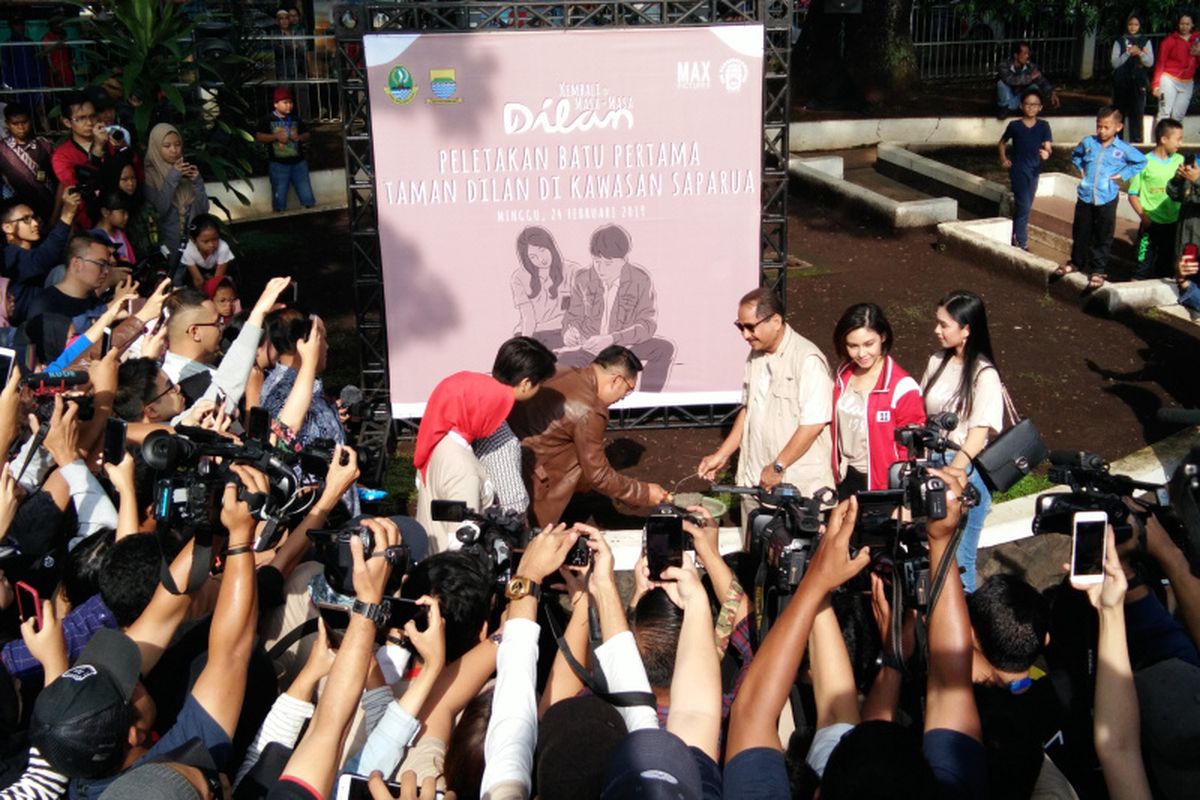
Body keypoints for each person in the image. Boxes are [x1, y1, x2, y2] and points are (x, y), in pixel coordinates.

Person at [697, 287, 835, 520]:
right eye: (740, 326)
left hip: (795, 489)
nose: (745, 335)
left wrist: (778, 466)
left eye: (751, 327)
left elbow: (813, 425)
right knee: (754, 549)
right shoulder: (756, 354)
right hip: (755, 481)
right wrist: (723, 454)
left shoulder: (808, 360)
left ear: (776, 321)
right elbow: (749, 409)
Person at [414, 336, 557, 550]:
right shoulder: (488, 445)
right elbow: (511, 503)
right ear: (526, 383)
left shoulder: (437, 440)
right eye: (541, 384)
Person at [509, 344, 670, 527]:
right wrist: (643, 493)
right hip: (533, 486)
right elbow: (598, 475)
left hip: (511, 457)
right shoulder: (590, 410)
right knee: (526, 545)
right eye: (628, 388)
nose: (625, 396)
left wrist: (622, 493)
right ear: (616, 380)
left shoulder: (561, 371)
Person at [920, 290, 1004, 593]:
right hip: (933, 464)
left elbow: (977, 437)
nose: (937, 330)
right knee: (933, 557)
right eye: (937, 323)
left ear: (966, 329)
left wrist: (951, 474)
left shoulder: (985, 375)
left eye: (945, 325)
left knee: (960, 560)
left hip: (963, 473)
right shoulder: (937, 361)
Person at [555, 224, 675, 392]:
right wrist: (569, 331)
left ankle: (647, 401)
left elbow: (647, 324)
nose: (601, 269)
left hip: (625, 345)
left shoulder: (640, 279)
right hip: (590, 347)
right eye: (597, 262)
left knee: (664, 348)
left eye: (608, 264)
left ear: (624, 260)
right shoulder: (582, 278)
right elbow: (572, 316)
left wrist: (613, 338)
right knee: (561, 362)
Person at [829, 303, 925, 497]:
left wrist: (904, 494)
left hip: (881, 487)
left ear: (883, 336)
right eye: (853, 346)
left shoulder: (902, 387)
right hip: (843, 477)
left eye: (868, 344)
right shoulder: (843, 374)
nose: (861, 354)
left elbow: (912, 450)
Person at [1057, 107, 1146, 290]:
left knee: (1103, 234)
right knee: (1081, 230)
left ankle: (1098, 269)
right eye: (1099, 126)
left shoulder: (1123, 149)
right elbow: (1077, 155)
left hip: (1106, 197)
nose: (1102, 131)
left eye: (1106, 127)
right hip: (1086, 195)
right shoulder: (1089, 142)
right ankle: (1076, 262)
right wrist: (1080, 168)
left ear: (1118, 127)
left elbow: (1141, 161)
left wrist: (1123, 175)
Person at [1, 188, 80, 324]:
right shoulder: (7, 256)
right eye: (26, 219)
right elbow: (42, 259)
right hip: (27, 328)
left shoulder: (38, 247)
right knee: (60, 272)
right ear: (7, 228)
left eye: (33, 217)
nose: (35, 223)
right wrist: (67, 215)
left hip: (49, 315)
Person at [1129, 118, 1184, 280]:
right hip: (1150, 224)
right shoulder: (1143, 162)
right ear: (1164, 139)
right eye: (1178, 139)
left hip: (1173, 223)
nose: (1180, 144)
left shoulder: (1179, 161)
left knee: (1167, 264)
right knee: (1142, 263)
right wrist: (1143, 216)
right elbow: (1133, 194)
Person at [999, 88, 1053, 251]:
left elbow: (1048, 147)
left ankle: (1014, 232)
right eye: (1028, 104)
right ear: (1022, 106)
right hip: (1018, 170)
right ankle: (1021, 241)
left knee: (1027, 205)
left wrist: (1046, 153)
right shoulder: (1014, 125)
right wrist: (1004, 159)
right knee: (1023, 205)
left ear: (1040, 108)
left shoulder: (1044, 126)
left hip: (1034, 171)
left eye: (1035, 104)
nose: (1031, 107)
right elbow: (1002, 142)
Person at [143, 123, 209, 256]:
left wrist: (197, 182)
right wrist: (173, 177)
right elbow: (159, 211)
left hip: (195, 247)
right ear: (156, 147)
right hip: (169, 248)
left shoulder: (186, 171)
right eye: (167, 146)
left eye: (178, 145)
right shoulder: (149, 175)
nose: (174, 150)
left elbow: (203, 210)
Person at [50, 92, 114, 230]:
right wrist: (97, 150)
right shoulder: (62, 156)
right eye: (81, 118)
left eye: (92, 116)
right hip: (86, 225)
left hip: (117, 216)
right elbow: (79, 190)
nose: (89, 123)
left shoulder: (110, 142)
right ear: (67, 122)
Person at [510, 225, 577, 350]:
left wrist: (541, 327)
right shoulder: (519, 278)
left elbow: (570, 314)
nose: (541, 259)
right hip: (530, 332)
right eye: (533, 257)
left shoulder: (572, 271)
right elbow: (527, 317)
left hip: (560, 331)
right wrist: (526, 344)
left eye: (542, 250)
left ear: (551, 246)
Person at [255, 87, 315, 214]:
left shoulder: (296, 119)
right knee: (279, 195)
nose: (289, 105)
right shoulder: (268, 119)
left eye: (290, 102)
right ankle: (279, 219)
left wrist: (298, 137)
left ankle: (309, 214)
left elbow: (307, 134)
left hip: (298, 162)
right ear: (276, 104)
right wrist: (275, 137)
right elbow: (258, 136)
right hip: (278, 164)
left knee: (307, 194)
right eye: (285, 102)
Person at [0, 103, 57, 224]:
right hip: (18, 211)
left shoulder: (45, 145)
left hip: (50, 206)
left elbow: (59, 178)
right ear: (7, 124)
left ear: (30, 121)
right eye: (15, 124)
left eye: (24, 122)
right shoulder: (2, 150)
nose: (21, 127)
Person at [1112, 13, 1155, 143]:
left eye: (1136, 24)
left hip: (1138, 82)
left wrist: (1140, 53)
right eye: (1130, 24)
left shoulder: (1145, 41)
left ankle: (1137, 144)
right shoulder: (1119, 41)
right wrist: (1127, 53)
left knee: (1137, 114)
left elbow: (1150, 62)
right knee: (1119, 114)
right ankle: (1116, 142)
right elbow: (1114, 63)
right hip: (1121, 82)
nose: (1133, 27)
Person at [1152, 11, 1200, 125]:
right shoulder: (1169, 41)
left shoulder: (1197, 40)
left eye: (1187, 24)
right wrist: (1156, 85)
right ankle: (1160, 140)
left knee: (1178, 115)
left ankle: (1173, 140)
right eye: (1182, 24)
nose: (1184, 27)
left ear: (1192, 25)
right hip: (1169, 79)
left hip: (1187, 82)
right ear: (1178, 24)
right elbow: (1160, 63)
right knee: (1164, 113)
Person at [997, 42, 1060, 117]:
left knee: (1034, 87)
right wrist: (1030, 77)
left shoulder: (1030, 66)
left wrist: (1051, 92)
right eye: (1024, 53)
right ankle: (1005, 109)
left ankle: (1023, 109)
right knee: (1001, 83)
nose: (1027, 56)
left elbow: (1041, 80)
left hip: (1020, 98)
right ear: (1016, 55)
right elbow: (1011, 80)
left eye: (1028, 53)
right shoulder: (1004, 65)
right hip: (1008, 98)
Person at [181, 213, 234, 289]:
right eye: (206, 241)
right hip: (200, 272)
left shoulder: (223, 248)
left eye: (215, 239)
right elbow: (198, 280)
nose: (211, 245)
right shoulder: (187, 249)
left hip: (221, 273)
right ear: (193, 240)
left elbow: (217, 280)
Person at [91, 191, 137, 266]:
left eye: (127, 212)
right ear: (105, 212)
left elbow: (131, 258)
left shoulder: (120, 233)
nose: (126, 216)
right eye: (122, 212)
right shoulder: (95, 238)